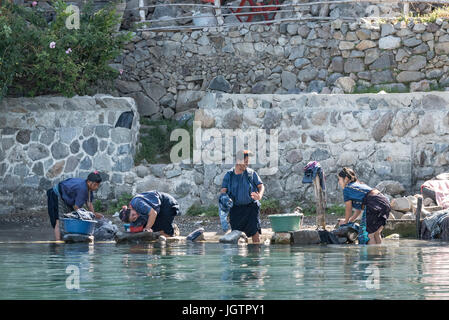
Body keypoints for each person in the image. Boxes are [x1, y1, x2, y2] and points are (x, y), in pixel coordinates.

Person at [220, 150, 265, 243]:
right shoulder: (229, 175)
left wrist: (259, 196)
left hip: (251, 208)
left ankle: (255, 256)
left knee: (254, 232)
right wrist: (225, 199)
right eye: (245, 161)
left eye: (248, 161)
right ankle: (238, 257)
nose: (247, 164)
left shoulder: (251, 173)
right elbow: (223, 191)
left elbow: (261, 186)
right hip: (236, 210)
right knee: (236, 236)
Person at [337, 167, 390, 245]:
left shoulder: (347, 189)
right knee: (376, 233)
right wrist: (350, 221)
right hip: (384, 202)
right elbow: (358, 210)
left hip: (373, 203)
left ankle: (371, 256)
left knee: (369, 235)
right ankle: (379, 255)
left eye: (339, 179)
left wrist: (345, 222)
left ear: (346, 179)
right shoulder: (358, 185)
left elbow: (348, 209)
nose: (339, 182)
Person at [47, 171, 103, 240]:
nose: (96, 187)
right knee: (59, 221)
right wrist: (86, 216)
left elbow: (89, 203)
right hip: (56, 195)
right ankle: (58, 243)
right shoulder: (82, 188)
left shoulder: (89, 189)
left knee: (70, 217)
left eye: (98, 185)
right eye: (95, 185)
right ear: (89, 182)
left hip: (66, 197)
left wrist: (93, 214)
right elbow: (76, 207)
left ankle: (67, 238)